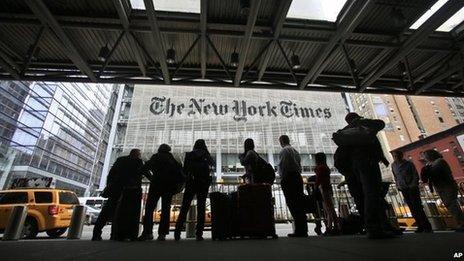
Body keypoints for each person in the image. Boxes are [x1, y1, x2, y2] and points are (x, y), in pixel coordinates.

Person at [341, 112, 392, 239]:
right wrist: (361, 121)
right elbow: (380, 123)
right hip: (368, 163)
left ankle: (379, 226)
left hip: (359, 165)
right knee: (372, 193)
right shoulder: (361, 127)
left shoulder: (347, 131)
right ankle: (374, 227)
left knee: (371, 194)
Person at [92, 149, 144, 241]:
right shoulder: (138, 162)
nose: (140, 156)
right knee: (123, 213)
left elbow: (111, 174)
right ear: (137, 155)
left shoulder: (120, 160)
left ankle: (96, 233)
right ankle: (116, 235)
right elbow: (139, 174)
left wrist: (109, 185)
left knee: (107, 211)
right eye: (139, 154)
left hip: (115, 189)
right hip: (129, 191)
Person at [138, 144, 185, 241]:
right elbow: (179, 173)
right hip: (168, 187)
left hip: (156, 185)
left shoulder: (156, 157)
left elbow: (144, 169)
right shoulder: (172, 159)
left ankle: (148, 232)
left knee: (149, 208)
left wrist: (151, 178)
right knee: (166, 209)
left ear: (159, 149)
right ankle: (162, 234)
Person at [174, 139, 214, 241]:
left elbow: (185, 170)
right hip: (203, 184)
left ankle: (177, 232)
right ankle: (199, 234)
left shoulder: (189, 155)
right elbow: (212, 165)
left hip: (191, 183)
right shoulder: (206, 155)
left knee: (185, 207)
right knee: (201, 208)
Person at [421, 150, 464, 232]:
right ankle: (460, 223)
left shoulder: (439, 162)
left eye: (425, 156)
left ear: (430, 155)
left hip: (447, 186)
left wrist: (427, 170)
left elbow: (435, 173)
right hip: (442, 187)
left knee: (452, 205)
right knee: (451, 205)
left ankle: (462, 223)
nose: (424, 158)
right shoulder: (433, 163)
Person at [391, 150, 432, 233]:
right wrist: (398, 186)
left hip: (412, 188)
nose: (396, 157)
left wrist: (413, 184)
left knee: (418, 207)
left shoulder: (409, 164)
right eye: (394, 156)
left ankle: (426, 226)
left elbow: (415, 174)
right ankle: (420, 226)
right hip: (404, 189)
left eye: (397, 155)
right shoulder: (393, 165)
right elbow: (395, 176)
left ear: (401, 155)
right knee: (412, 208)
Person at [278, 135, 308, 237]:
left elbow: (283, 166)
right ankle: (303, 229)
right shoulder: (295, 151)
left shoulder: (284, 151)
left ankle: (299, 230)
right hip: (297, 177)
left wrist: (282, 177)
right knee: (299, 203)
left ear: (281, 141)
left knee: (292, 203)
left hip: (289, 178)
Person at [314, 152, 340, 235]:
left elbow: (318, 178)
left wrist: (316, 186)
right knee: (329, 208)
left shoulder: (320, 167)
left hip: (324, 188)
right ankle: (333, 226)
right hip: (327, 187)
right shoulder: (325, 167)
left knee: (328, 208)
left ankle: (333, 227)